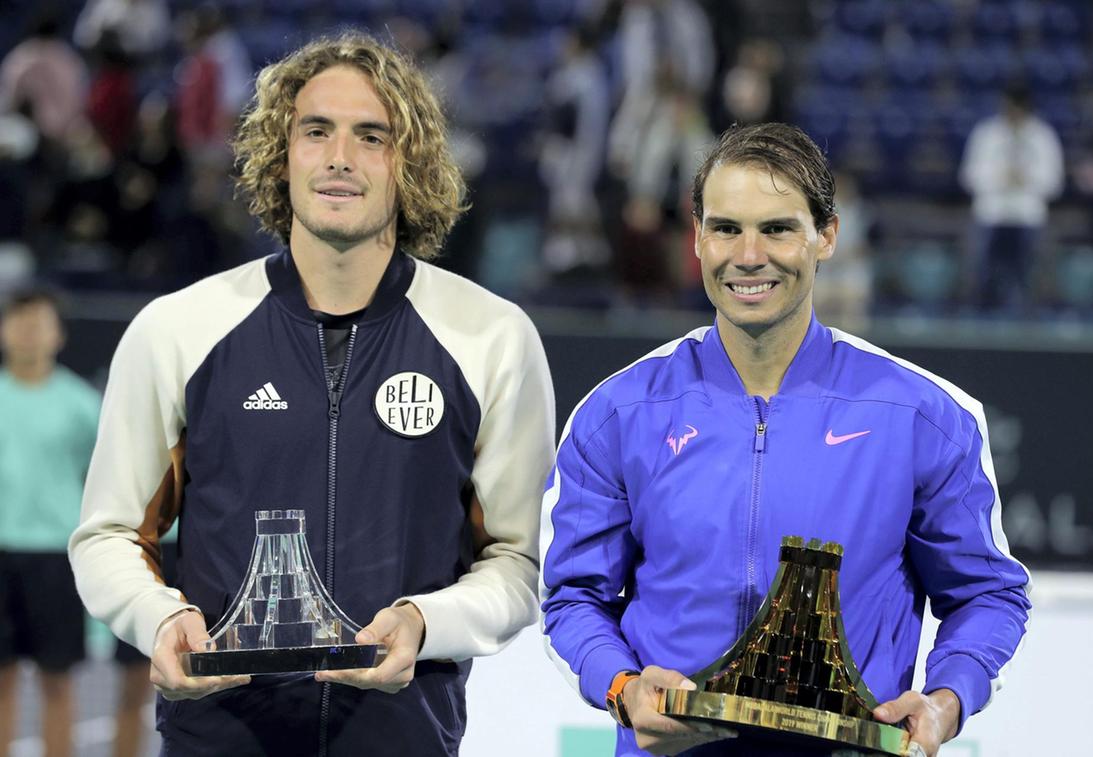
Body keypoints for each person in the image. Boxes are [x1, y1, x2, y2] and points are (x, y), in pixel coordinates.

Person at [69, 32, 555, 757]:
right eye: (316, 131)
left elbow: (515, 564)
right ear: (280, 152)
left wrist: (424, 622)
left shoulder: (492, 339)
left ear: (409, 162)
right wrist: (158, 617)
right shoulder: (177, 330)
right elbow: (108, 536)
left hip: (404, 737)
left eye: (372, 137)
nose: (339, 158)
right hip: (218, 736)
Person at [541, 123, 1031, 757]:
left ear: (826, 236)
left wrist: (946, 701)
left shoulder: (921, 415)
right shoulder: (618, 413)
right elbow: (574, 597)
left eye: (776, 228)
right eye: (725, 228)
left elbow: (989, 595)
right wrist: (622, 687)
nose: (748, 255)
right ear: (696, 237)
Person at [0, 288, 101, 757]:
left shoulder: (82, 405)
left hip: (55, 561)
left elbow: (103, 482)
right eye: (19, 321)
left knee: (57, 683)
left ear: (58, 334)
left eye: (39, 322)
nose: (28, 331)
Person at [959, 82, 1063, 312]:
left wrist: (1026, 178)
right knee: (980, 269)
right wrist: (1000, 177)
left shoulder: (1042, 136)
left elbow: (1054, 182)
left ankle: (1029, 316)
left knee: (1030, 273)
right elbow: (969, 176)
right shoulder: (987, 133)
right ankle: (977, 311)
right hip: (991, 212)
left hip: (1028, 213)